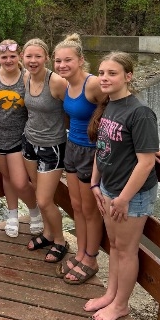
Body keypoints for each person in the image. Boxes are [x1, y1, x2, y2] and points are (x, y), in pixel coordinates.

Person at [84, 51, 160, 320]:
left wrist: (124, 198)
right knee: (114, 246)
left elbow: (146, 162)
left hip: (132, 196)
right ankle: (111, 295)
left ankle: (121, 305)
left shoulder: (140, 113)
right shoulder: (110, 105)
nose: (104, 78)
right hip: (109, 187)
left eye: (112, 73)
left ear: (128, 76)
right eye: (101, 73)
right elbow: (102, 147)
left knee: (126, 251)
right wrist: (95, 182)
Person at [53, 33, 106, 283]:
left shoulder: (93, 84)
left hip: (91, 151)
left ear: (81, 60)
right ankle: (81, 253)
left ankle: (91, 259)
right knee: (76, 206)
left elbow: (121, 105)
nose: (62, 65)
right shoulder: (66, 85)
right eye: (58, 61)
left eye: (68, 60)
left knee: (90, 209)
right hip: (72, 147)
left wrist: (145, 144)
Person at [0, 40, 43, 238]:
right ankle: (12, 215)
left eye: (12, 56)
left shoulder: (27, 77)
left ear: (19, 56)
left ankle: (34, 210)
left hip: (19, 137)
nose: (8, 60)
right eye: (4, 57)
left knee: (20, 182)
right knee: (7, 177)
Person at [22, 38, 69, 263]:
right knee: (37, 190)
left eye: (38, 56)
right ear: (23, 58)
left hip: (52, 146)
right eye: (29, 56)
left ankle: (60, 240)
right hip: (30, 141)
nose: (33, 61)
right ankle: (48, 233)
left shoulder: (57, 82)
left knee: (43, 200)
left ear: (46, 58)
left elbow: (78, 105)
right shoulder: (25, 77)